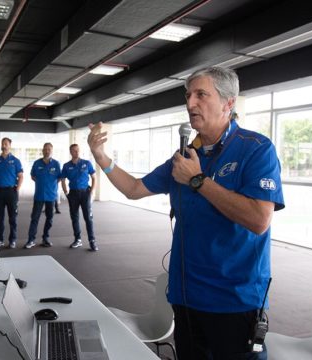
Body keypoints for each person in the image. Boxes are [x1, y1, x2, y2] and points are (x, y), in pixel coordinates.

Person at [86, 66, 284, 359]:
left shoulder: (255, 149)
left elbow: (258, 219)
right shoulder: (186, 156)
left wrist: (198, 181)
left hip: (234, 301)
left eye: (201, 95)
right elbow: (135, 189)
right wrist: (101, 158)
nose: (190, 103)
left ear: (229, 103)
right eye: (188, 95)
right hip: (186, 296)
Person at [60, 144, 98, 251]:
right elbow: (62, 180)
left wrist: (92, 192)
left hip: (85, 193)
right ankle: (78, 239)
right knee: (74, 218)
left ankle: (92, 241)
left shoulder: (86, 163)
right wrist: (66, 192)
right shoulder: (66, 166)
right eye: (74, 151)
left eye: (77, 150)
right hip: (73, 194)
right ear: (70, 152)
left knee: (88, 218)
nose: (76, 152)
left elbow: (94, 177)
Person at [25, 143, 61, 249]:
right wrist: (41, 183)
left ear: (52, 150)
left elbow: (59, 177)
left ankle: (46, 238)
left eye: (49, 149)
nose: (47, 151)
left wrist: (50, 185)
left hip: (51, 195)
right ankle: (31, 240)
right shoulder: (37, 163)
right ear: (42, 150)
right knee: (34, 218)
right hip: (39, 195)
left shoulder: (56, 164)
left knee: (49, 218)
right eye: (45, 149)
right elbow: (32, 176)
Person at [0, 137, 23, 248]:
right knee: (0, 218)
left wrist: (16, 189)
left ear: (10, 146)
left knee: (12, 218)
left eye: (6, 143)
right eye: (3, 143)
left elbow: (21, 176)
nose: (4, 145)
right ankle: (0, 240)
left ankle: (12, 240)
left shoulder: (15, 160)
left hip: (11, 191)